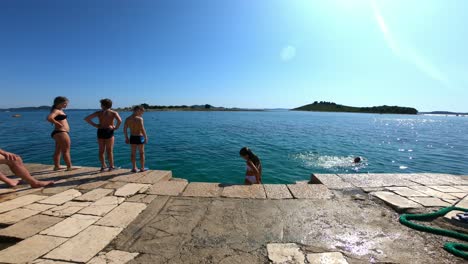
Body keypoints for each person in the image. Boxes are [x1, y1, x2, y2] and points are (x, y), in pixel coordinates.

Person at [84, 99, 122, 172]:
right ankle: (111, 166)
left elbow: (87, 118)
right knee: (109, 150)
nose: (100, 106)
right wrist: (115, 127)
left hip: (100, 131)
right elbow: (120, 121)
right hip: (108, 130)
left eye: (101, 104)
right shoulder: (113, 113)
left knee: (101, 150)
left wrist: (96, 125)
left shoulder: (99, 113)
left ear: (103, 105)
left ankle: (103, 166)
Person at [47, 96, 72, 171]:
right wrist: (57, 123)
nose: (66, 105)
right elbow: (49, 118)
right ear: (59, 103)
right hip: (61, 132)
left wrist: (57, 123)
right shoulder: (56, 111)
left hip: (58, 132)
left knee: (58, 150)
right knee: (66, 151)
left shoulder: (58, 110)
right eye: (65, 103)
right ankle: (69, 167)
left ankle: (56, 166)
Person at [124, 105, 148, 172]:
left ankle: (134, 168)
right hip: (140, 137)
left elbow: (125, 129)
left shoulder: (128, 119)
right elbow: (142, 129)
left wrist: (126, 137)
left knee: (133, 153)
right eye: (142, 111)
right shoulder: (140, 119)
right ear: (138, 110)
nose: (142, 113)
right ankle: (142, 168)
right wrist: (146, 137)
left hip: (132, 137)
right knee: (141, 153)